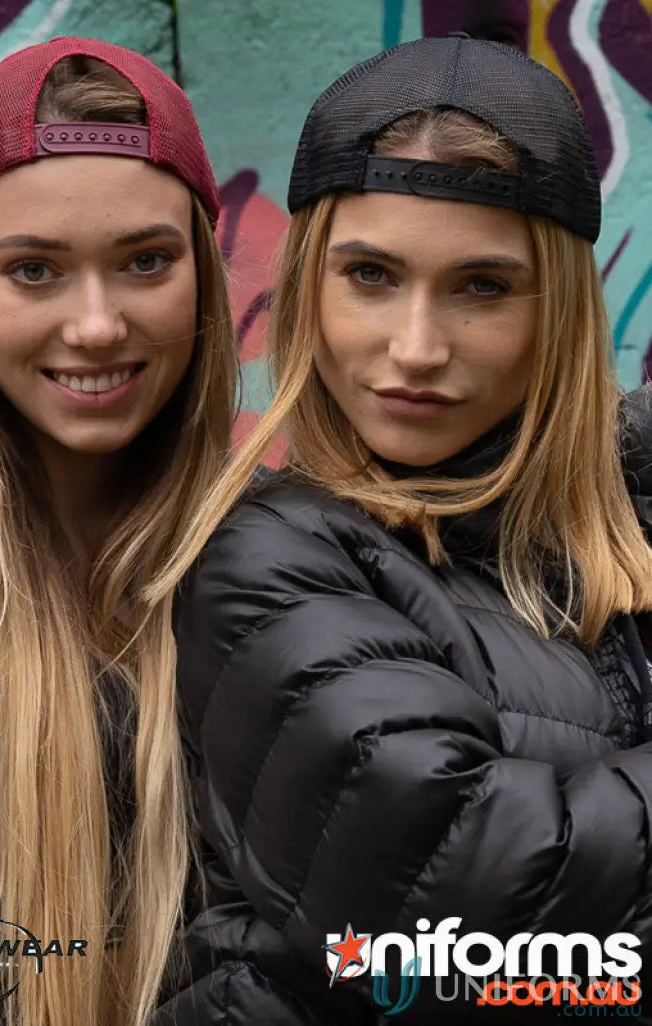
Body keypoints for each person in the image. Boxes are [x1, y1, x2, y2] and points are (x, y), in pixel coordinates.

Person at [151, 36, 652, 1025]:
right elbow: (446, 892)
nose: (414, 350)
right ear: (309, 289)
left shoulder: (616, 516)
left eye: (480, 287)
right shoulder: (264, 564)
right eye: (370, 275)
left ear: (553, 313)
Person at [0, 37, 237, 1026]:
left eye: (145, 262)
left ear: (203, 276)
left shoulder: (272, 563)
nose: (93, 324)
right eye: (34, 270)